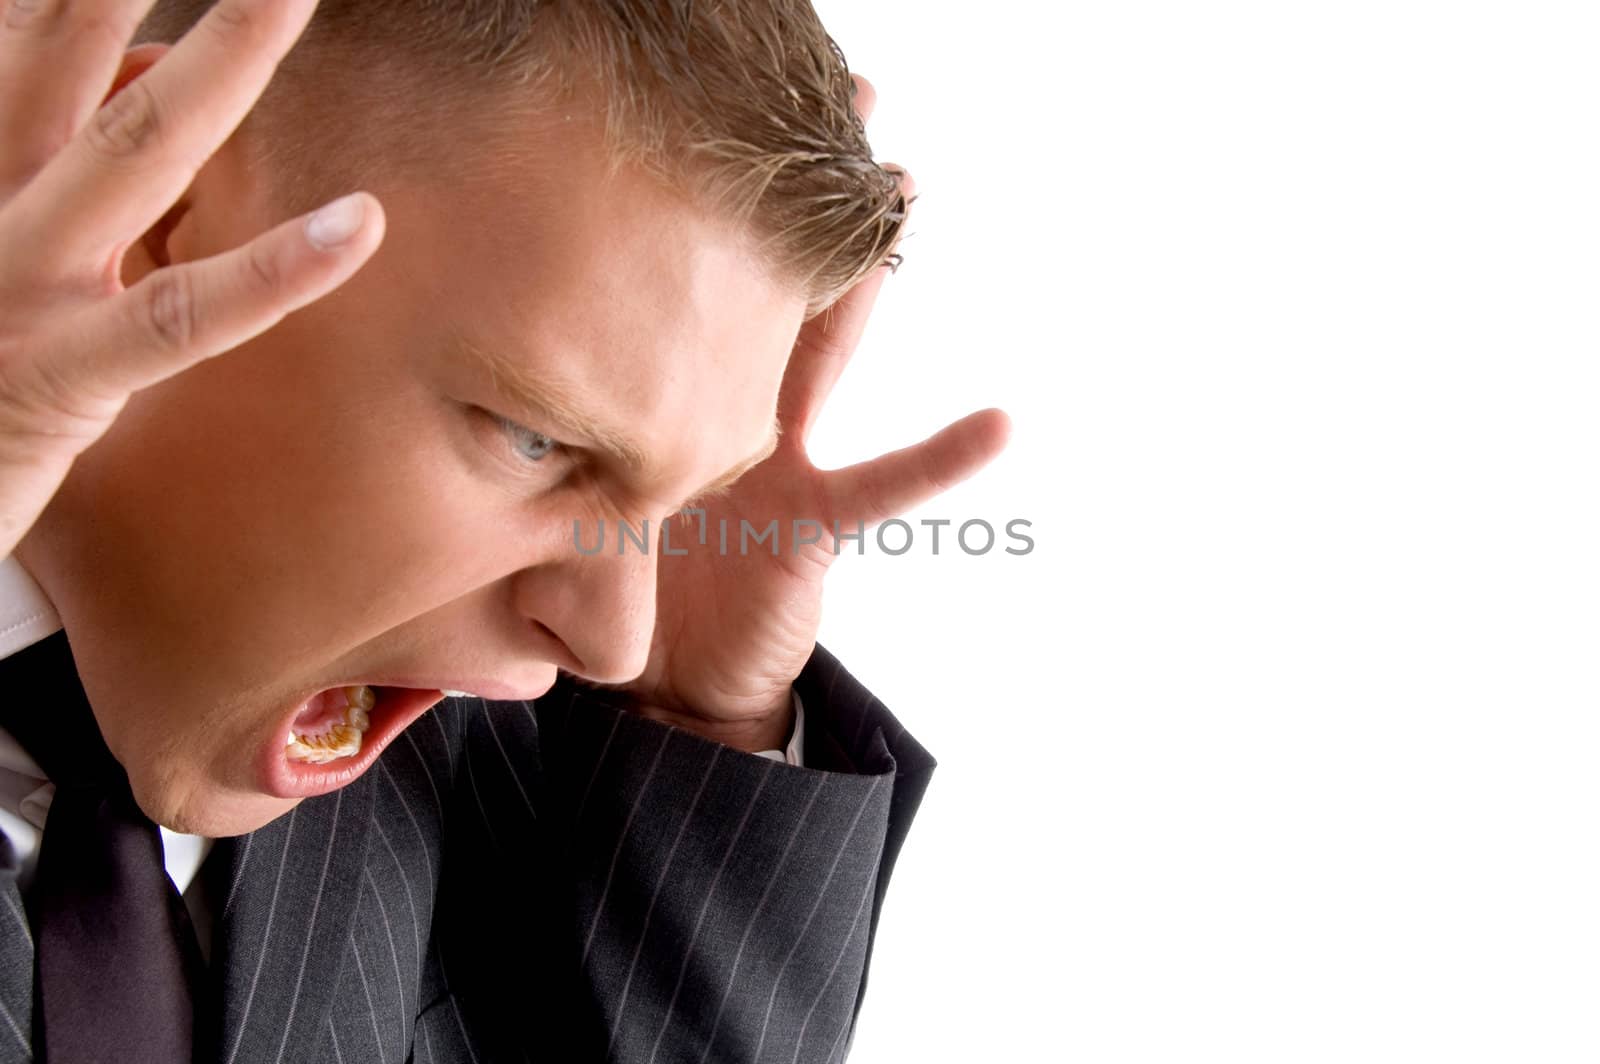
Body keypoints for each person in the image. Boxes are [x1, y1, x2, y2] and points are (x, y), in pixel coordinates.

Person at [0, 0, 1010, 1061]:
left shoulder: (459, 771)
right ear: (161, 205)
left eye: (684, 499)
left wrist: (699, 721)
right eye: (535, 440)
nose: (613, 641)